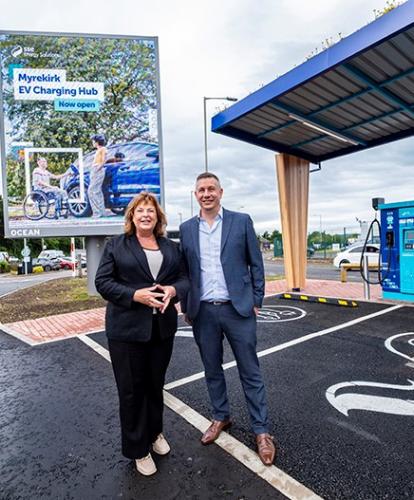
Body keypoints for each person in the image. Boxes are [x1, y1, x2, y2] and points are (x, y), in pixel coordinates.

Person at [179, 172, 276, 466]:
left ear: (221, 192)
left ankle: (261, 432)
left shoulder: (241, 221)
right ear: (195, 194)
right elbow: (184, 272)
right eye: (201, 190)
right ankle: (221, 417)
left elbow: (255, 264)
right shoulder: (185, 229)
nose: (206, 193)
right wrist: (186, 305)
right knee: (212, 369)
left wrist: (256, 300)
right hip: (203, 311)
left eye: (211, 189)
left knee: (251, 371)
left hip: (238, 310)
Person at [95, 192, 189, 476]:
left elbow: (185, 279)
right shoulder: (116, 246)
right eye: (140, 211)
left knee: (154, 386)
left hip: (162, 329)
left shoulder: (171, 247)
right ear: (132, 216)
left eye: (151, 211)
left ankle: (155, 433)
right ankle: (138, 449)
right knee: (132, 391)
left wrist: (174, 291)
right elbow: (103, 282)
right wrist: (135, 295)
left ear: (158, 217)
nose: (146, 215)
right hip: (126, 332)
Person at [88, 134, 107, 218]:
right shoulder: (98, 150)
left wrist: (98, 168)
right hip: (95, 170)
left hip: (97, 170)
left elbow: (104, 159)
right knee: (97, 191)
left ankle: (97, 212)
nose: (93, 143)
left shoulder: (103, 149)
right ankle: (101, 212)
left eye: (93, 141)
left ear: (97, 142)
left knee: (92, 191)